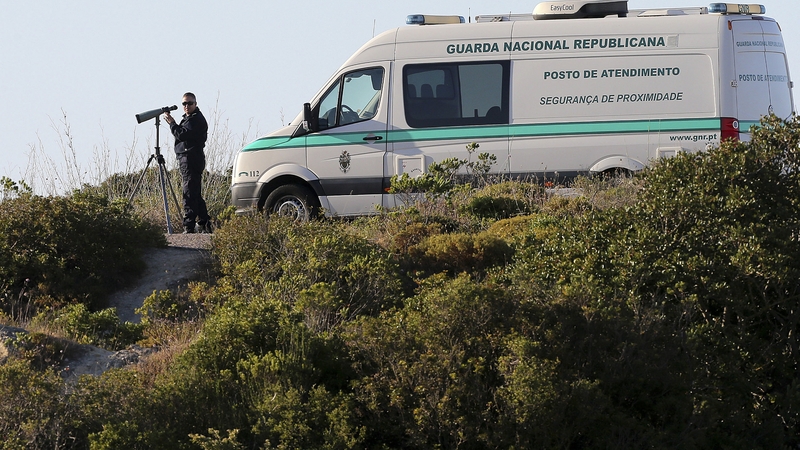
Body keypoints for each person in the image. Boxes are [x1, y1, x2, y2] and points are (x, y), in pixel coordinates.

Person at [163, 92, 211, 234]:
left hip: (191, 158)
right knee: (194, 192)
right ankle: (205, 223)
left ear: (195, 104)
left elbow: (182, 134)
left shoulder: (195, 120)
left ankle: (189, 225)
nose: (186, 106)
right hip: (189, 158)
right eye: (184, 103)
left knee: (189, 192)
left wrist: (172, 123)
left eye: (190, 103)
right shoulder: (189, 118)